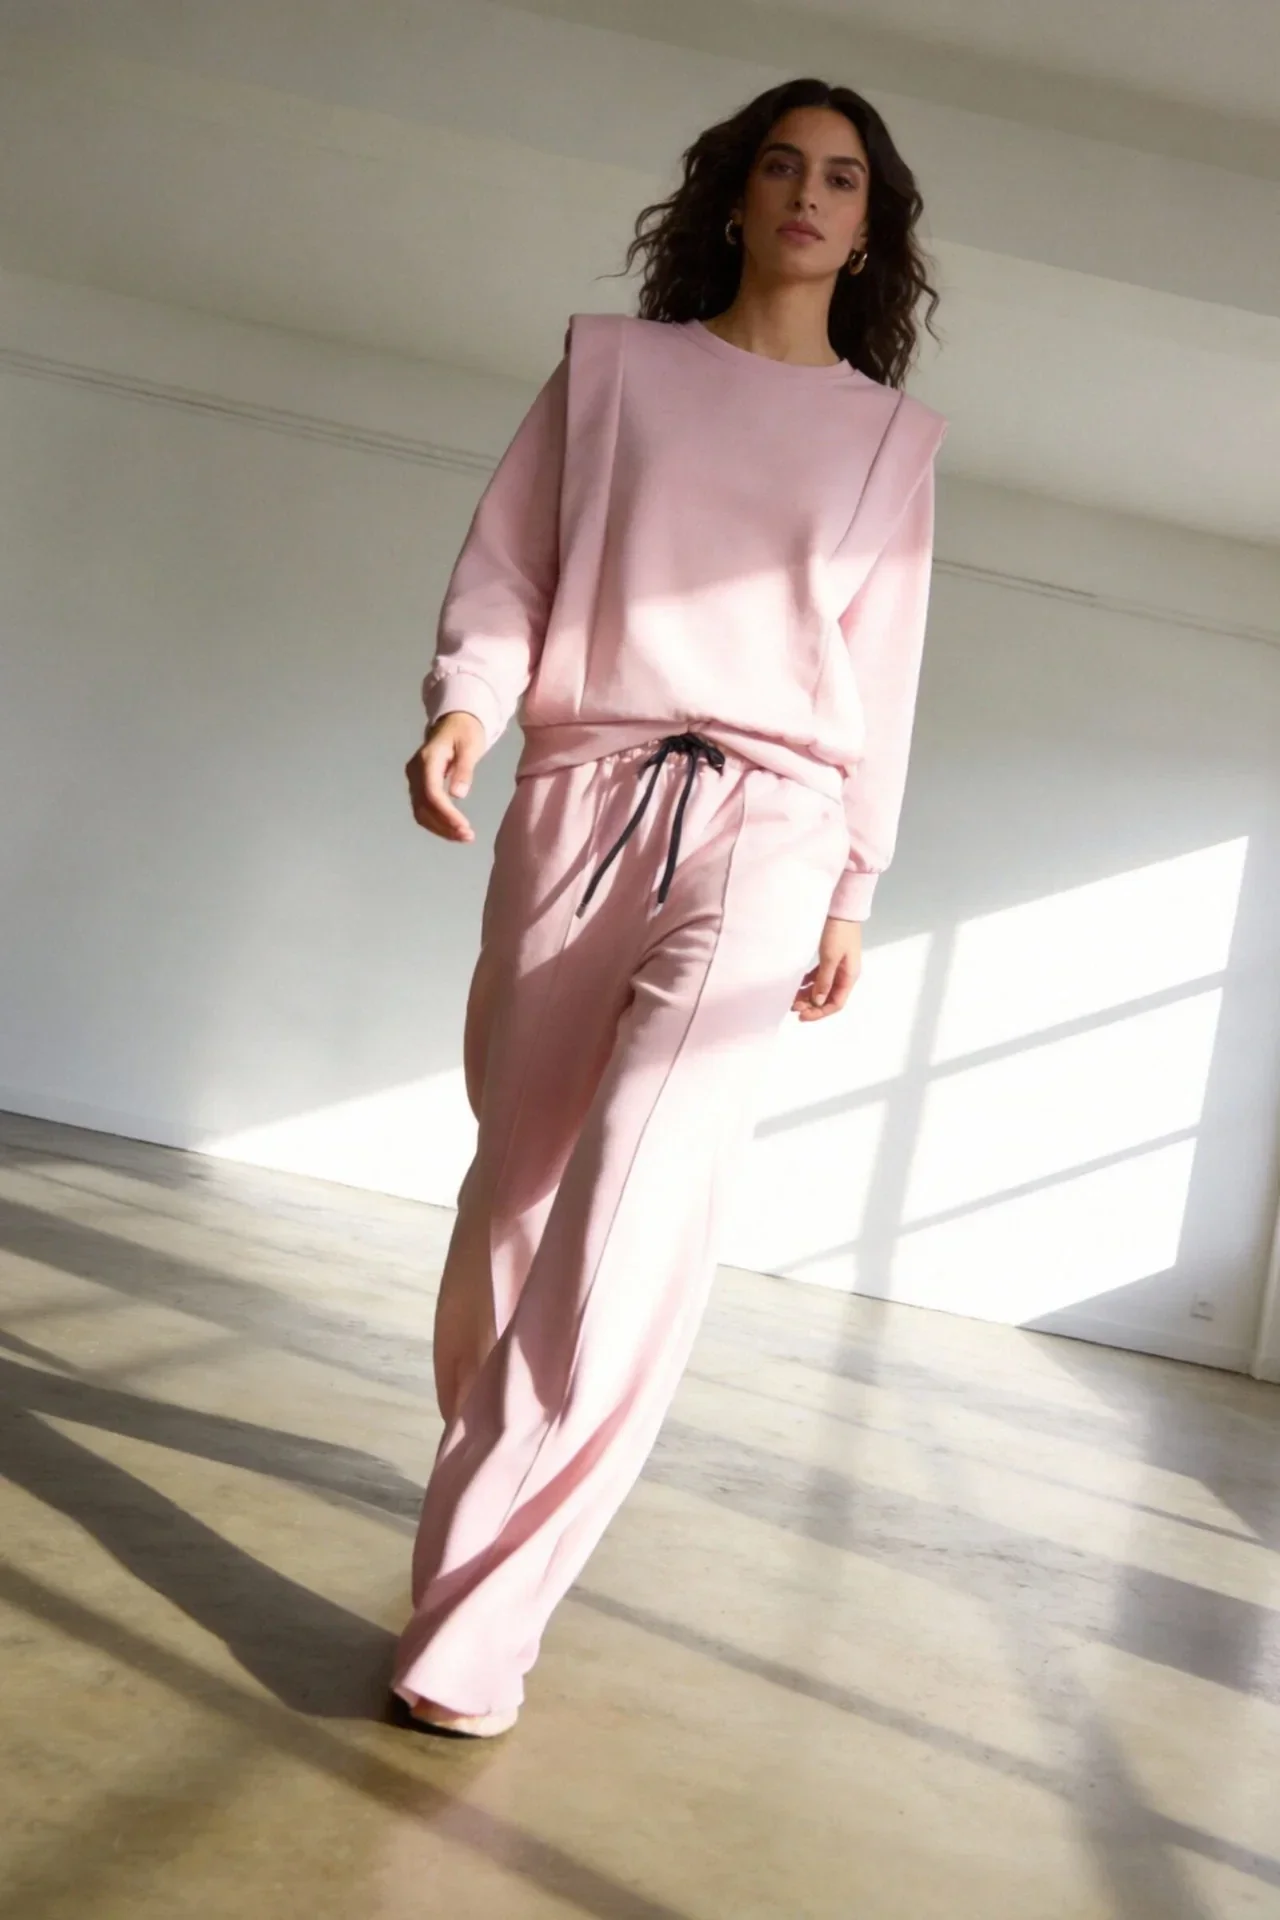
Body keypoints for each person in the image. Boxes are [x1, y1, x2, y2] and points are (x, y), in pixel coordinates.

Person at [391, 75, 947, 1737]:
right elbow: (512, 567)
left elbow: (884, 676)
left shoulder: (890, 444)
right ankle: (487, 1476)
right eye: (781, 165)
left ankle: (480, 1621)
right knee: (515, 1191)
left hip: (774, 821)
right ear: (734, 195)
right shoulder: (614, 372)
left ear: (870, 228)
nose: (808, 194)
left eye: (841, 177)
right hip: (582, 792)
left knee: (637, 1206)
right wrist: (467, 708)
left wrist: (853, 883)